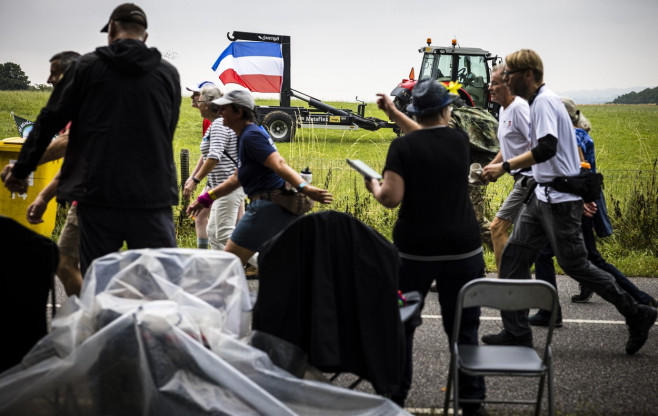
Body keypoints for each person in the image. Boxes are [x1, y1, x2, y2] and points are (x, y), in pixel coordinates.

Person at [480, 49, 656, 355]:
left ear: (528, 75)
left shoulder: (544, 102)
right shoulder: (535, 103)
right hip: (541, 195)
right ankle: (517, 331)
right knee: (514, 259)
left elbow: (548, 147)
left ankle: (637, 312)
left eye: (510, 74)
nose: (504, 80)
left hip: (560, 201)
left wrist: (505, 166)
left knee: (576, 265)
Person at [2, 3, 180, 275]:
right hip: (151, 197)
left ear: (111, 30)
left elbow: (49, 119)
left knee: (99, 281)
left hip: (97, 195)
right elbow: (167, 130)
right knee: (157, 283)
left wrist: (23, 168)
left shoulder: (86, 67)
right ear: (144, 36)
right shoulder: (168, 74)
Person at [370, 78, 487, 416]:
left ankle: (396, 398)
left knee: (403, 323)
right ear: (446, 110)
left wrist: (374, 186)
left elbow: (391, 199)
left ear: (416, 112)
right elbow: (428, 137)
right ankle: (472, 403)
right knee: (465, 328)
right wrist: (393, 113)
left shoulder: (403, 148)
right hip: (464, 251)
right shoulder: (460, 141)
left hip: (414, 254)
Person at [529, 98, 657, 327]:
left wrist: (584, 201)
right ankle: (559, 305)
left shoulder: (573, 137)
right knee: (555, 254)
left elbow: (579, 170)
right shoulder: (578, 134)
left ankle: (640, 300)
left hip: (578, 202)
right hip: (579, 200)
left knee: (588, 258)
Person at [187, 89, 332, 265]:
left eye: (224, 109)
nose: (220, 112)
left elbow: (279, 164)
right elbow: (237, 178)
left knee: (232, 257)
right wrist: (206, 198)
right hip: (264, 205)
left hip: (268, 206)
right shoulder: (244, 136)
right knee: (239, 257)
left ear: (239, 111)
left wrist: (305, 188)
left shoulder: (251, 136)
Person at [22, 50, 83, 296]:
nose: (49, 81)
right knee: (75, 263)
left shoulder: (83, 103)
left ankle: (92, 318)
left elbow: (70, 142)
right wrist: (43, 197)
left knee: (66, 261)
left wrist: (23, 165)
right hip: (91, 196)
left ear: (71, 75)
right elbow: (72, 163)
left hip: (91, 198)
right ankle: (93, 317)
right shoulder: (79, 104)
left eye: (54, 74)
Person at [182, 84, 245, 251]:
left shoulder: (219, 125)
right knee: (214, 232)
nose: (197, 102)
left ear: (208, 104)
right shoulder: (214, 124)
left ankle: (264, 264)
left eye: (200, 99)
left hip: (227, 185)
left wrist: (195, 180)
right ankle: (220, 272)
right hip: (220, 186)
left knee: (223, 234)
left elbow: (214, 157)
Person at [485, 64, 534, 272]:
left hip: (530, 178)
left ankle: (505, 284)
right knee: (533, 244)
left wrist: (503, 168)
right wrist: (490, 167)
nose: (489, 87)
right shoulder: (504, 111)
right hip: (522, 178)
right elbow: (509, 148)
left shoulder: (520, 109)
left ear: (508, 85)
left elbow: (538, 147)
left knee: (496, 228)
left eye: (494, 83)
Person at [184, 80, 216, 249]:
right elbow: (206, 154)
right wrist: (193, 177)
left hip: (224, 180)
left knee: (203, 216)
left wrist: (195, 179)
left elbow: (213, 156)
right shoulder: (207, 120)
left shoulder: (215, 122)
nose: (192, 97)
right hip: (219, 179)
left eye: (196, 94)